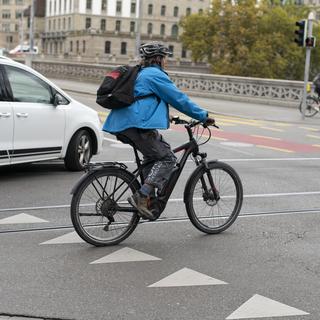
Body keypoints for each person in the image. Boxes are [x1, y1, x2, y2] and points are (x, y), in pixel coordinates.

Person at [102, 41, 215, 220]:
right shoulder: (155, 74)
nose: (166, 62)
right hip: (136, 125)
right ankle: (142, 195)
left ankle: (148, 201)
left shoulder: (141, 73)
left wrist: (168, 116)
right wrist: (203, 116)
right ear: (158, 59)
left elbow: (143, 99)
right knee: (168, 158)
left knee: (153, 156)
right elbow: (179, 99)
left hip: (122, 124)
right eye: (164, 58)